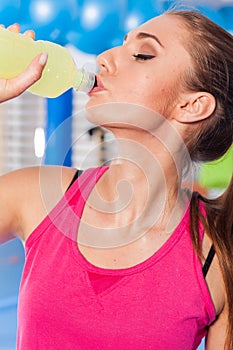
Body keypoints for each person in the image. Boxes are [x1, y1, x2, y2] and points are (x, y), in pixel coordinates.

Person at [0, 9, 232, 350]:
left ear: (192, 105)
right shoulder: (33, 194)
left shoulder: (217, 257)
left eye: (143, 54)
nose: (104, 58)